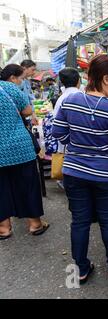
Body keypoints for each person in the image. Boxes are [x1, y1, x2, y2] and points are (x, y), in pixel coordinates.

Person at [52, 54, 108, 284]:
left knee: (80, 221)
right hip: (105, 173)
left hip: (74, 172)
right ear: (105, 78)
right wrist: (104, 142)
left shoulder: (68, 101)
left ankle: (82, 270)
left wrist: (78, 142)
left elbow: (57, 134)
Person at [0, 68, 49, 240]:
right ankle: (35, 224)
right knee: (27, 184)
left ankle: (3, 228)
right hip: (19, 147)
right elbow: (28, 111)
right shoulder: (8, 87)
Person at [19, 60, 38, 126]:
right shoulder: (17, 82)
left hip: (27, 114)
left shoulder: (27, 81)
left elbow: (30, 99)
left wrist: (33, 115)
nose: (34, 72)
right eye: (32, 70)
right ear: (24, 68)